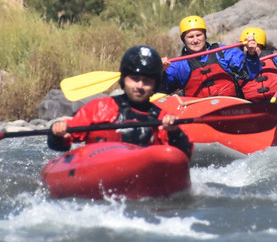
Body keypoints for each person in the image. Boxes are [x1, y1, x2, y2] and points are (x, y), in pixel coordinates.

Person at [48, 45, 193, 158]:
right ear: (124, 80)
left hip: (143, 176)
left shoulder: (162, 118)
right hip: (101, 172)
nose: (139, 86)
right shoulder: (99, 108)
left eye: (147, 81)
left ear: (155, 85)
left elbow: (185, 154)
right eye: (134, 79)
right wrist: (57, 134)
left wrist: (174, 133)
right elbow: (61, 145)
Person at [162, 15, 248, 98]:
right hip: (199, 107)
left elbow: (249, 72)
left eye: (199, 35)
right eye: (190, 37)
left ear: (205, 35)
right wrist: (161, 71)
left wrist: (251, 55)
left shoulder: (224, 53)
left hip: (231, 105)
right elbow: (162, 88)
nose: (195, 40)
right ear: (183, 40)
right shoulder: (180, 64)